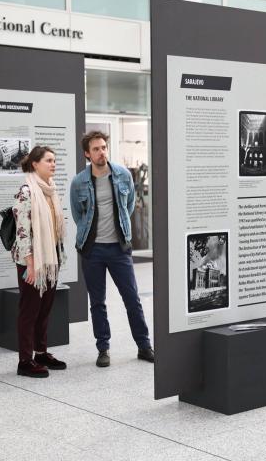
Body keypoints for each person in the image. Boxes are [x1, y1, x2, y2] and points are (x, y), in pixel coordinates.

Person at [70, 131, 154, 367]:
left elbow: (127, 207)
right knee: (97, 302)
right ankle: (103, 349)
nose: (101, 152)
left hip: (119, 249)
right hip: (92, 251)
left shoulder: (123, 175)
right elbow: (79, 215)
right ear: (87, 154)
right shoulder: (79, 182)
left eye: (104, 147)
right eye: (96, 149)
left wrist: (120, 232)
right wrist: (91, 237)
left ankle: (144, 346)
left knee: (132, 299)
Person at [12, 146, 67, 377]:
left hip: (51, 259)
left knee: (44, 309)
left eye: (54, 161)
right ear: (35, 164)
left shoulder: (50, 190)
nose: (53, 164)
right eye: (48, 161)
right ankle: (25, 360)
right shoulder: (27, 191)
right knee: (30, 310)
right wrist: (30, 262)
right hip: (33, 260)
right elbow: (22, 230)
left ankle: (41, 352)